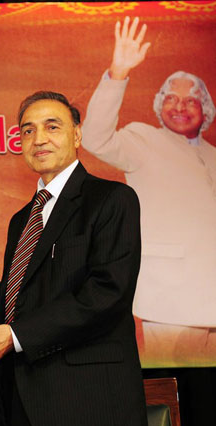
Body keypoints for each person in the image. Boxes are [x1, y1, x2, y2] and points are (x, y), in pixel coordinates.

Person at [0, 91, 147, 426]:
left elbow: (107, 293)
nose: (39, 139)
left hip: (87, 401)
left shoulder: (111, 199)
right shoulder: (23, 218)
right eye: (27, 130)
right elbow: (28, 303)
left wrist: (17, 335)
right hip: (20, 397)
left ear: (77, 135)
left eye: (52, 127)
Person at [82, 17, 216, 366]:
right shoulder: (143, 140)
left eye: (191, 101)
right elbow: (95, 137)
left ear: (206, 111)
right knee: (180, 401)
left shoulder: (213, 156)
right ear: (159, 105)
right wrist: (118, 73)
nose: (181, 106)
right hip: (172, 303)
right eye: (172, 98)